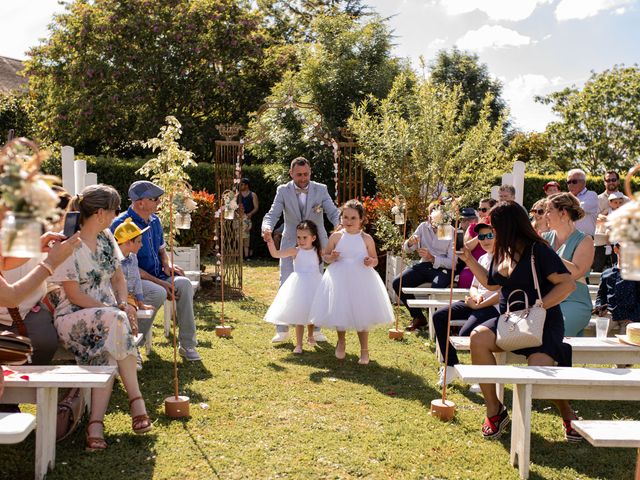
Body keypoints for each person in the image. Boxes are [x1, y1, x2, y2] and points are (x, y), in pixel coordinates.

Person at [458, 201, 581, 442]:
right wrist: (470, 260)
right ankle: (494, 410)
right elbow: (492, 284)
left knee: (541, 375)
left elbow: (568, 284)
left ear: (508, 226)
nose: (490, 233)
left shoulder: (538, 250)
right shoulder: (502, 251)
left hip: (543, 322)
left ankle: (568, 414)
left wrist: (537, 307)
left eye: (493, 226)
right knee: (478, 338)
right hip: (510, 321)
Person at [50, 185, 152, 451]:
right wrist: (115, 311)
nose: (116, 214)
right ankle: (136, 401)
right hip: (72, 318)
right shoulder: (67, 244)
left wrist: (120, 303)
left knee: (107, 351)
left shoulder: (107, 237)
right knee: (116, 323)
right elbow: (73, 296)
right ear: (100, 213)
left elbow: (118, 278)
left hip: (108, 317)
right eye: (114, 209)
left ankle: (95, 425)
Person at [111, 180, 201, 361]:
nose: (159, 202)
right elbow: (128, 265)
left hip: (157, 274)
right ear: (140, 202)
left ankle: (187, 344)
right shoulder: (120, 224)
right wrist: (159, 281)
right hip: (132, 279)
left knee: (183, 284)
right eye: (155, 199)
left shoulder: (155, 221)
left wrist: (167, 264)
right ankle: (133, 344)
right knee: (159, 292)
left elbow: (161, 249)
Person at [261, 157, 340, 343]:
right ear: (291, 173)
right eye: (299, 175)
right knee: (285, 283)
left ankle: (317, 328)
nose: (303, 178)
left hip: (316, 244)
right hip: (291, 243)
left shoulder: (321, 189)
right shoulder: (283, 190)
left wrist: (340, 226)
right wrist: (267, 228)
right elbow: (272, 213)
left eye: (306, 174)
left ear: (310, 172)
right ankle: (282, 329)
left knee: (317, 285)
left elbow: (333, 212)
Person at [309, 200, 394, 364]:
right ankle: (341, 342)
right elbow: (325, 256)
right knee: (340, 309)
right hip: (339, 277)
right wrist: (331, 257)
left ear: (361, 219)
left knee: (361, 313)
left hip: (361, 278)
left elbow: (375, 259)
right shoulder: (336, 236)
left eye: (353, 218)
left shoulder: (366, 238)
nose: (348, 221)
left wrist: (371, 262)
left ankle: (364, 349)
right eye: (345, 217)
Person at [432, 221, 499, 387]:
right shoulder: (482, 258)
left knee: (466, 333)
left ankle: (479, 375)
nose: (485, 240)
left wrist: (479, 304)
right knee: (439, 317)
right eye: (481, 236)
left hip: (493, 307)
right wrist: (475, 297)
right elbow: (474, 286)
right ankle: (451, 365)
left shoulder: (505, 259)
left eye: (489, 235)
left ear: (498, 235)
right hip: (476, 302)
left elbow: (502, 293)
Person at [392, 203, 454, 331]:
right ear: (428, 216)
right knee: (398, 282)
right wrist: (410, 242)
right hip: (424, 265)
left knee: (437, 288)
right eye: (431, 213)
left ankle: (438, 324)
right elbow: (407, 250)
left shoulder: (448, 230)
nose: (433, 217)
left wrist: (433, 258)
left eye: (437, 213)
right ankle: (418, 317)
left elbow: (452, 262)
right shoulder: (423, 227)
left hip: (443, 268)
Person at [264, 221, 323, 354]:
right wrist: (270, 242)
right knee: (299, 315)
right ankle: (299, 344)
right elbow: (276, 254)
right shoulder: (295, 251)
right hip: (299, 285)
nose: (301, 241)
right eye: (298, 237)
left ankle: (311, 335)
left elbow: (329, 258)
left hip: (315, 283)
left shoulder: (317, 251)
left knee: (312, 310)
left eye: (304, 237)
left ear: (313, 238)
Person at [543, 193, 595, 336]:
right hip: (547, 300)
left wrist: (547, 253)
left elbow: (576, 272)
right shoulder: (544, 238)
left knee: (552, 333)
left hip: (575, 301)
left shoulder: (585, 240)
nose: (545, 215)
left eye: (549, 210)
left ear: (563, 213)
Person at [113, 218, 155, 370]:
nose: (141, 244)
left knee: (131, 311)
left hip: (128, 296)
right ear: (127, 242)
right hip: (112, 295)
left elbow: (137, 280)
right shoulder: (113, 258)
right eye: (138, 241)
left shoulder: (133, 258)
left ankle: (133, 351)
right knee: (125, 314)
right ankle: (123, 353)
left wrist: (140, 300)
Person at [594, 243, 640, 334]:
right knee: (600, 334)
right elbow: (601, 295)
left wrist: (633, 317)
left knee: (625, 343)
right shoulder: (607, 274)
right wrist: (600, 308)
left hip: (630, 316)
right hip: (611, 314)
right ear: (616, 249)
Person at [566, 168, 598, 236]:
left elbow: (579, 209)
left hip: (586, 238)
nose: (570, 184)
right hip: (568, 238)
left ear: (583, 182)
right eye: (568, 182)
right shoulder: (566, 197)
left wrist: (566, 206)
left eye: (574, 181)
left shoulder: (592, 195)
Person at [237, 178, 259, 260]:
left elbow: (256, 207)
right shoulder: (238, 195)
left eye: (242, 184)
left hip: (249, 218)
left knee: (250, 238)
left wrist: (250, 214)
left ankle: (249, 255)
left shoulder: (252, 195)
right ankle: (240, 255)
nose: (240, 186)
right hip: (240, 219)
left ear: (247, 185)